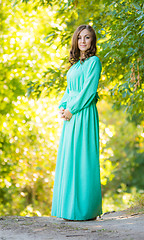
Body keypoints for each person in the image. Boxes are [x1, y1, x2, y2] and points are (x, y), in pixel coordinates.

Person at [51, 24, 102, 221]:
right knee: (69, 158)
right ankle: (68, 209)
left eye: (87, 37)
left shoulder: (94, 62)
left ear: (92, 41)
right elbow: (68, 90)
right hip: (70, 115)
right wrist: (62, 107)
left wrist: (73, 109)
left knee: (83, 159)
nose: (83, 41)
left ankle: (85, 210)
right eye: (80, 37)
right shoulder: (74, 66)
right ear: (76, 41)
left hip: (84, 113)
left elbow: (89, 91)